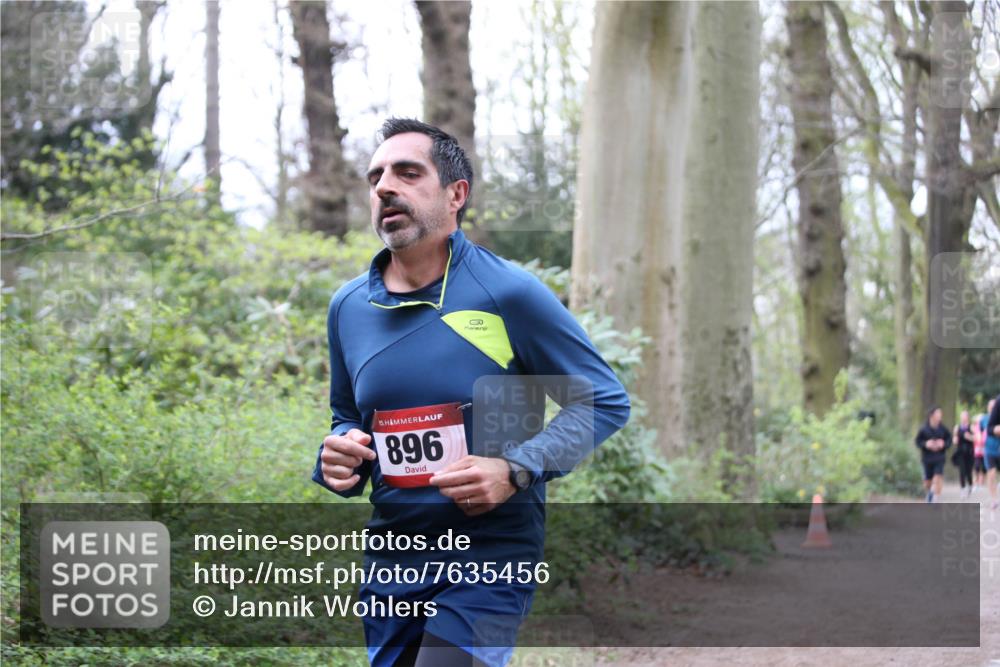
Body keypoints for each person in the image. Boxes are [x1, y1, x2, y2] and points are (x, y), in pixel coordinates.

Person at [312, 118, 631, 667]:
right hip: (394, 550)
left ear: (456, 194)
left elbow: (602, 401)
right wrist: (339, 453)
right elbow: (348, 414)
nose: (385, 186)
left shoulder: (508, 292)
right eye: (376, 177)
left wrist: (515, 469)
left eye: (409, 173)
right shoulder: (348, 307)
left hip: (491, 551)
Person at [915, 407, 950, 503]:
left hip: (939, 457)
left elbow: (949, 441)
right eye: (938, 413)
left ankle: (935, 497)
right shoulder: (923, 429)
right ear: (931, 415)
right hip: (927, 458)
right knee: (927, 481)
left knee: (937, 476)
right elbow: (917, 442)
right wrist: (926, 444)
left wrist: (943, 444)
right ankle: (930, 492)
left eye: (940, 413)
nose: (940, 415)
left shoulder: (943, 429)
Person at [952, 411, 975, 498]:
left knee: (968, 472)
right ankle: (962, 489)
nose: (963, 418)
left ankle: (970, 485)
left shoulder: (971, 427)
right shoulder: (957, 427)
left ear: (968, 417)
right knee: (962, 471)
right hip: (960, 452)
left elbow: (975, 438)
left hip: (969, 452)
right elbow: (954, 439)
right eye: (962, 416)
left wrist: (968, 437)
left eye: (965, 416)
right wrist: (955, 440)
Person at [985, 397, 1000, 510]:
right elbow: (986, 430)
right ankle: (994, 498)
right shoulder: (984, 419)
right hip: (990, 448)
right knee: (992, 472)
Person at [972, 416, 986, 490]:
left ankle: (981, 483)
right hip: (977, 452)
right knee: (977, 467)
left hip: (984, 451)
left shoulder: (985, 428)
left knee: (983, 468)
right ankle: (975, 483)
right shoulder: (975, 428)